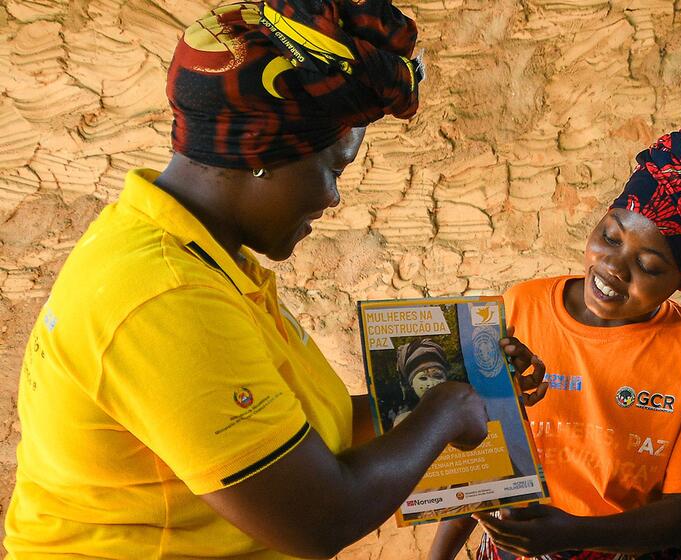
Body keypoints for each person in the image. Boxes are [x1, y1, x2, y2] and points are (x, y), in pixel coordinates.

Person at [3, 1, 547, 557]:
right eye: (333, 169)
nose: (333, 197)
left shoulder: (193, 256)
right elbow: (317, 520)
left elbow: (295, 439)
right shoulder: (168, 297)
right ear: (260, 152)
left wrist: (466, 394)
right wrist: (442, 414)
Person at [428, 126, 681, 560]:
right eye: (610, 236)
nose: (612, 268)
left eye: (647, 265)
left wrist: (573, 534)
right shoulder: (521, 307)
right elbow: (480, 458)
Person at [392, 339, 452, 426]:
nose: (431, 384)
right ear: (412, 383)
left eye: (438, 377)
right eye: (423, 378)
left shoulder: (460, 414)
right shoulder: (404, 421)